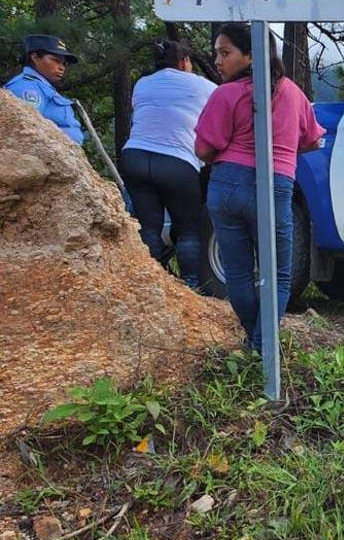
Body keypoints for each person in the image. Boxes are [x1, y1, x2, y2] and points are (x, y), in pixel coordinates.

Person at [195, 24, 324, 353]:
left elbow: (204, 150)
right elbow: (313, 140)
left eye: (226, 52)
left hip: (227, 184)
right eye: (217, 53)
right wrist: (282, 150)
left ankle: (255, 341)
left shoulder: (226, 94)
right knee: (278, 274)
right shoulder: (293, 93)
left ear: (251, 55)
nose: (218, 61)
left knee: (237, 271)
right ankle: (262, 346)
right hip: (277, 183)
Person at [120, 40, 217, 288]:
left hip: (135, 158)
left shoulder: (142, 84)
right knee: (187, 229)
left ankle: (153, 284)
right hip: (176, 162)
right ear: (185, 61)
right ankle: (191, 287)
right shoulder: (204, 86)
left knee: (149, 226)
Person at [4, 34, 85, 144]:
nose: (61, 67)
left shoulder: (43, 87)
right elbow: (28, 131)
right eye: (55, 60)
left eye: (64, 63)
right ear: (35, 57)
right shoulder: (26, 87)